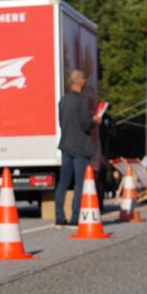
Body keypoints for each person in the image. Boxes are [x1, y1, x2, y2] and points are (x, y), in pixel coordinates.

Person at [55, 70, 101, 227]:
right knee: (79, 183)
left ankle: (59, 217)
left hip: (66, 144)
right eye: (84, 78)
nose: (85, 81)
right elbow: (85, 124)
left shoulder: (63, 101)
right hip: (80, 146)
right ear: (80, 82)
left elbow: (62, 123)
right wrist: (94, 120)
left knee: (63, 182)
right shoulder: (82, 101)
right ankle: (75, 218)